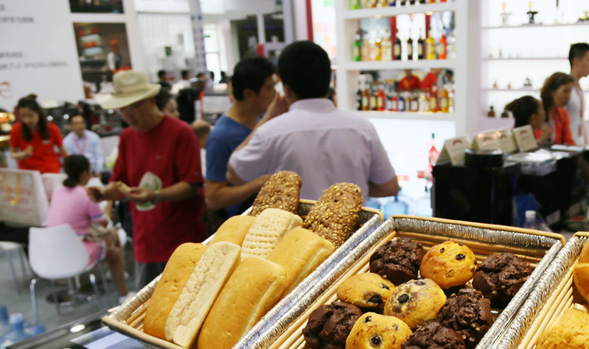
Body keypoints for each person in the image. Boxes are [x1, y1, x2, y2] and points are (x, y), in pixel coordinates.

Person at [228, 41, 398, 201]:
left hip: (294, 231)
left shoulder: (270, 132)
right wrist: (348, 192)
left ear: (286, 88)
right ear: (329, 81)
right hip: (353, 229)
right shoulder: (362, 127)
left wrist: (267, 118)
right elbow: (389, 188)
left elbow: (234, 175)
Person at [94, 70, 205, 290]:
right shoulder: (127, 137)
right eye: (123, 108)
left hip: (183, 240)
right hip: (146, 242)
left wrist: (155, 195)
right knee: (148, 310)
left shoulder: (181, 132)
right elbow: (120, 182)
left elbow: (192, 185)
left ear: (151, 100)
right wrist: (106, 193)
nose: (128, 114)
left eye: (134, 106)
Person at [46, 155, 130, 301]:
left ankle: (113, 272)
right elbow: (104, 222)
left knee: (112, 237)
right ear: (84, 174)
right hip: (77, 251)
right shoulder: (86, 194)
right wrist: (110, 200)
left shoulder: (58, 190)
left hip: (53, 250)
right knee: (115, 248)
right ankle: (123, 295)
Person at [205, 56, 279, 218]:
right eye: (270, 88)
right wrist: (259, 183)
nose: (275, 94)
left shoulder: (260, 120)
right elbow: (214, 198)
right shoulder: (220, 136)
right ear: (250, 94)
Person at [9, 95, 68, 174]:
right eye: (23, 116)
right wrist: (22, 155)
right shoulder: (16, 130)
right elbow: (13, 154)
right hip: (29, 174)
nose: (27, 120)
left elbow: (64, 151)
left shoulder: (52, 129)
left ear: (38, 113)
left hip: (50, 172)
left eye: (30, 115)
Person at [566, 42, 589, 145]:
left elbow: (580, 121)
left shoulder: (579, 89)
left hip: (578, 145)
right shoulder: (565, 89)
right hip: (567, 146)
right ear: (576, 61)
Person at [540, 72, 575, 145]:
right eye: (565, 91)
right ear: (552, 92)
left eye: (570, 91)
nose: (568, 96)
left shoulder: (563, 113)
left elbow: (568, 140)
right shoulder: (536, 111)